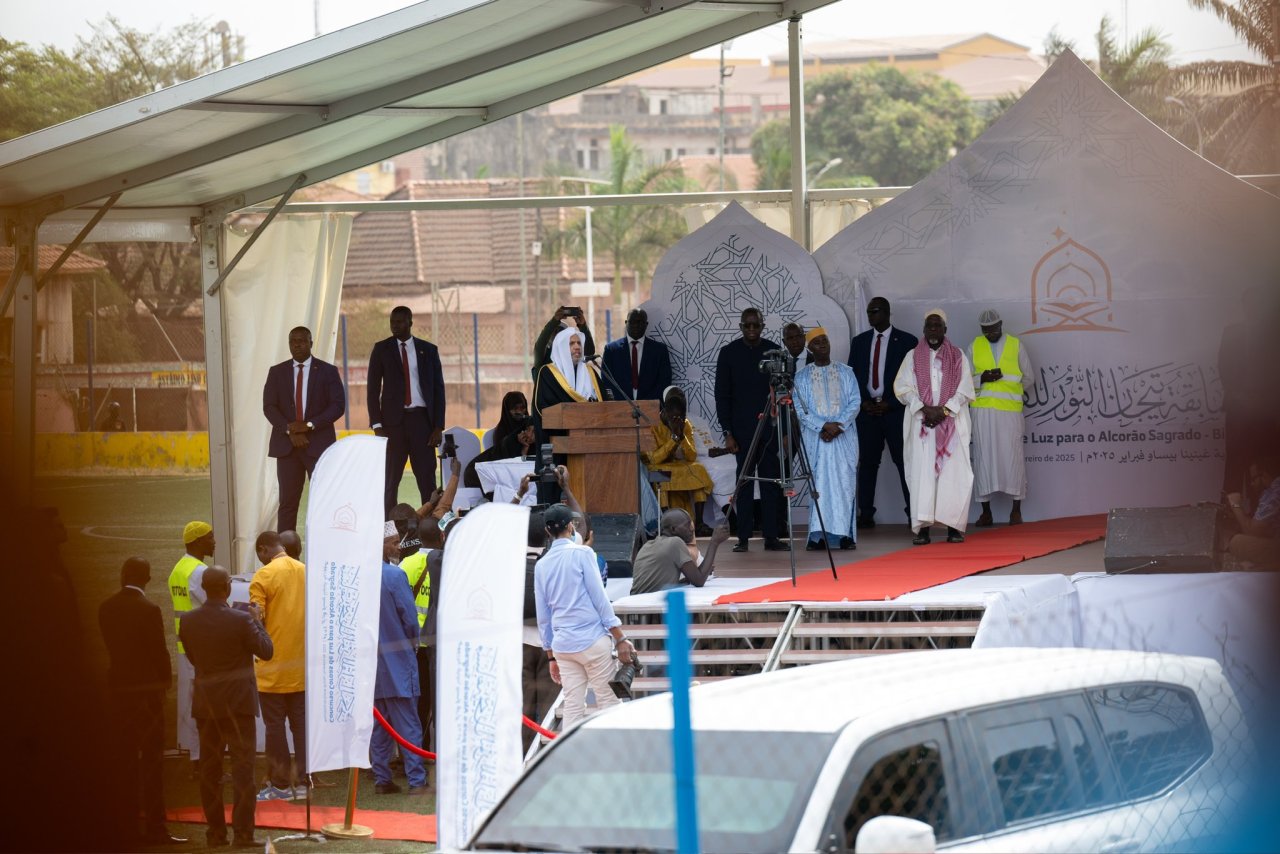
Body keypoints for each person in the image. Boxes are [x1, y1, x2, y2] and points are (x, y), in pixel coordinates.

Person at [179, 567, 274, 849]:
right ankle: (243, 834)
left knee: (210, 772)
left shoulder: (189, 621)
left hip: (207, 705)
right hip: (238, 705)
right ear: (227, 587)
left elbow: (195, 659)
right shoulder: (242, 619)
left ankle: (216, 834)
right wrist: (257, 621)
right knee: (243, 771)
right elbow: (266, 651)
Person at [99, 557, 186, 846]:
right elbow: (159, 652)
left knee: (123, 762)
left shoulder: (106, 608)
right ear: (147, 579)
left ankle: (124, 826)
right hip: (146, 696)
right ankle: (155, 828)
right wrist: (165, 684)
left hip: (119, 692)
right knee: (151, 763)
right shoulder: (149, 609)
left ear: (123, 575)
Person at [534, 503, 635, 729]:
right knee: (608, 702)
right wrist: (619, 637)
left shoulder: (542, 565)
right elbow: (599, 598)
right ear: (571, 527)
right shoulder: (583, 553)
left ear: (548, 531)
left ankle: (572, 762)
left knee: (572, 706)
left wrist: (550, 656)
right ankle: (614, 759)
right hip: (591, 641)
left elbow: (544, 616)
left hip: (563, 646)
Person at [893, 309, 976, 545]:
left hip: (951, 425)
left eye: (937, 326)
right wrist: (924, 408)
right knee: (922, 476)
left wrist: (944, 410)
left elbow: (965, 390)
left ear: (945, 329)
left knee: (953, 475)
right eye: (929, 326)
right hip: (923, 425)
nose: (933, 331)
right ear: (923, 329)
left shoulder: (958, 356)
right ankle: (923, 528)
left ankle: (953, 527)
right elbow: (903, 388)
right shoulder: (911, 356)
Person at [714, 307, 788, 552]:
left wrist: (784, 430)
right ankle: (743, 538)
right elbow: (722, 396)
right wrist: (727, 432)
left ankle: (771, 536)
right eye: (747, 325)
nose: (752, 330)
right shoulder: (728, 353)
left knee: (770, 482)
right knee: (743, 483)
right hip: (742, 431)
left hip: (770, 427)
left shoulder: (774, 351)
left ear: (763, 326)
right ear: (741, 326)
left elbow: (783, 390)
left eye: (756, 325)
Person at [264, 325, 346, 532]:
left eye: (302, 340)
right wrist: (290, 429)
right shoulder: (277, 372)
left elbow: (337, 405)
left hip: (318, 445)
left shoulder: (328, 371)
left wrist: (308, 425)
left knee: (325, 502)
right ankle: (286, 556)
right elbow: (269, 406)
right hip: (287, 446)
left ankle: (325, 549)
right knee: (288, 504)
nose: (297, 345)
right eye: (293, 341)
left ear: (311, 343)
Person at [368, 305, 446, 513]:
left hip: (422, 423)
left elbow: (438, 390)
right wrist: (377, 425)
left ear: (410, 322)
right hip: (392, 425)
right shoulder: (381, 349)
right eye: (392, 321)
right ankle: (388, 532)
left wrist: (438, 426)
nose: (395, 325)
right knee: (390, 481)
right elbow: (372, 389)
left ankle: (430, 528)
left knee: (427, 480)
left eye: (399, 321)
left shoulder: (428, 350)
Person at [849, 296, 918, 529]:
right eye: (869, 312)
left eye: (875, 311)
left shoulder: (908, 341)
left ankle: (914, 513)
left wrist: (891, 403)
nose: (871, 316)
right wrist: (864, 403)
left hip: (895, 411)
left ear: (888, 313)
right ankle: (865, 514)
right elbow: (853, 377)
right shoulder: (859, 342)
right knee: (867, 464)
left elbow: (913, 380)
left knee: (904, 463)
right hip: (868, 413)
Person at [372, 521, 430, 794]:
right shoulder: (394, 577)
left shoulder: (358, 575)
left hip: (372, 667)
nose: (398, 547)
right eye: (394, 543)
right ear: (382, 545)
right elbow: (409, 619)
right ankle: (416, 780)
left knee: (381, 725)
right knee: (408, 723)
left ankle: (382, 778)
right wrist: (413, 643)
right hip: (398, 662)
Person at [250, 530, 308, 801]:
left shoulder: (263, 576)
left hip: (272, 668)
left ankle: (282, 786)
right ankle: (304, 780)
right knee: (301, 726)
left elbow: (255, 620)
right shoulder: (304, 570)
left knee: (275, 728)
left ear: (263, 550)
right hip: (301, 667)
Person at [793, 328, 861, 551]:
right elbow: (800, 410)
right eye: (817, 342)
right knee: (819, 486)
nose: (822, 344)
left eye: (825, 340)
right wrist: (823, 426)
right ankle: (818, 536)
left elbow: (855, 402)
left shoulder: (845, 372)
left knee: (844, 484)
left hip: (843, 437)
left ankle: (844, 535)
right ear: (809, 348)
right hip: (816, 439)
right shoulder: (801, 376)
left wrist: (838, 425)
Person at [968, 309, 1032, 527]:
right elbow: (964, 381)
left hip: (1009, 413)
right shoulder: (974, 346)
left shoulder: (1016, 345)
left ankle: (1016, 511)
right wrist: (982, 378)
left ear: (1001, 324)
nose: (990, 334)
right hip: (983, 412)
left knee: (1013, 459)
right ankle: (986, 513)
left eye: (994, 330)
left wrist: (1010, 391)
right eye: (986, 331)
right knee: (983, 459)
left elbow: (1028, 378)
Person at [533, 326, 603, 502]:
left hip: (588, 448)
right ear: (561, 347)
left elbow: (605, 407)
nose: (577, 347)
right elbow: (543, 410)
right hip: (558, 448)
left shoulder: (591, 372)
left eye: (579, 342)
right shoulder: (548, 373)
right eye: (572, 343)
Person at [169, 520, 215, 776]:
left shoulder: (179, 568)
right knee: (203, 703)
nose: (214, 541)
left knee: (191, 700)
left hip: (186, 644)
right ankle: (202, 760)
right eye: (210, 537)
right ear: (197, 541)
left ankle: (197, 758)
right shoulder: (198, 571)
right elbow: (214, 603)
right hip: (200, 647)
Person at [646, 387, 716, 530]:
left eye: (680, 418)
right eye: (674, 418)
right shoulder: (653, 426)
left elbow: (691, 456)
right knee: (660, 474)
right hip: (658, 465)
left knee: (699, 469)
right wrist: (673, 439)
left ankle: (700, 522)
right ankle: (665, 522)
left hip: (678, 465)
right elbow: (653, 459)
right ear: (665, 413)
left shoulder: (685, 424)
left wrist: (681, 437)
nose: (677, 420)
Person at [631, 509, 730, 595]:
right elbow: (699, 581)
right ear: (673, 529)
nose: (692, 529)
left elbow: (659, 586)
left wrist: (702, 571)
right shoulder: (675, 542)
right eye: (687, 525)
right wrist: (714, 542)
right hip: (647, 606)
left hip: (636, 604)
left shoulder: (648, 545)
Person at [601, 308, 673, 401]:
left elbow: (664, 381)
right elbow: (606, 381)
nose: (635, 325)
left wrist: (645, 404)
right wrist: (624, 403)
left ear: (646, 324)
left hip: (650, 408)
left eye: (639, 322)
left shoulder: (659, 350)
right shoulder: (611, 350)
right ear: (626, 323)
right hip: (620, 407)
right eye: (632, 322)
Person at [1225, 456, 1280, 569]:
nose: (1251, 484)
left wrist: (1235, 505)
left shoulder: (1274, 491)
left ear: (1263, 475)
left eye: (1253, 479)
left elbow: (1252, 532)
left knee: (1236, 542)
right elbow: (1265, 530)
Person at [465, 416, 535, 492]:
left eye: (534, 431)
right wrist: (524, 448)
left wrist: (525, 448)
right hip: (477, 476)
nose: (530, 435)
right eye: (528, 430)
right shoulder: (511, 442)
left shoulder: (540, 445)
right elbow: (517, 472)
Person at [533, 306, 596, 380]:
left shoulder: (571, 357)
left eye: (562, 333)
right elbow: (539, 347)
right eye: (554, 332)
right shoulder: (544, 358)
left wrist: (583, 325)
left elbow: (589, 352)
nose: (558, 336)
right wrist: (554, 321)